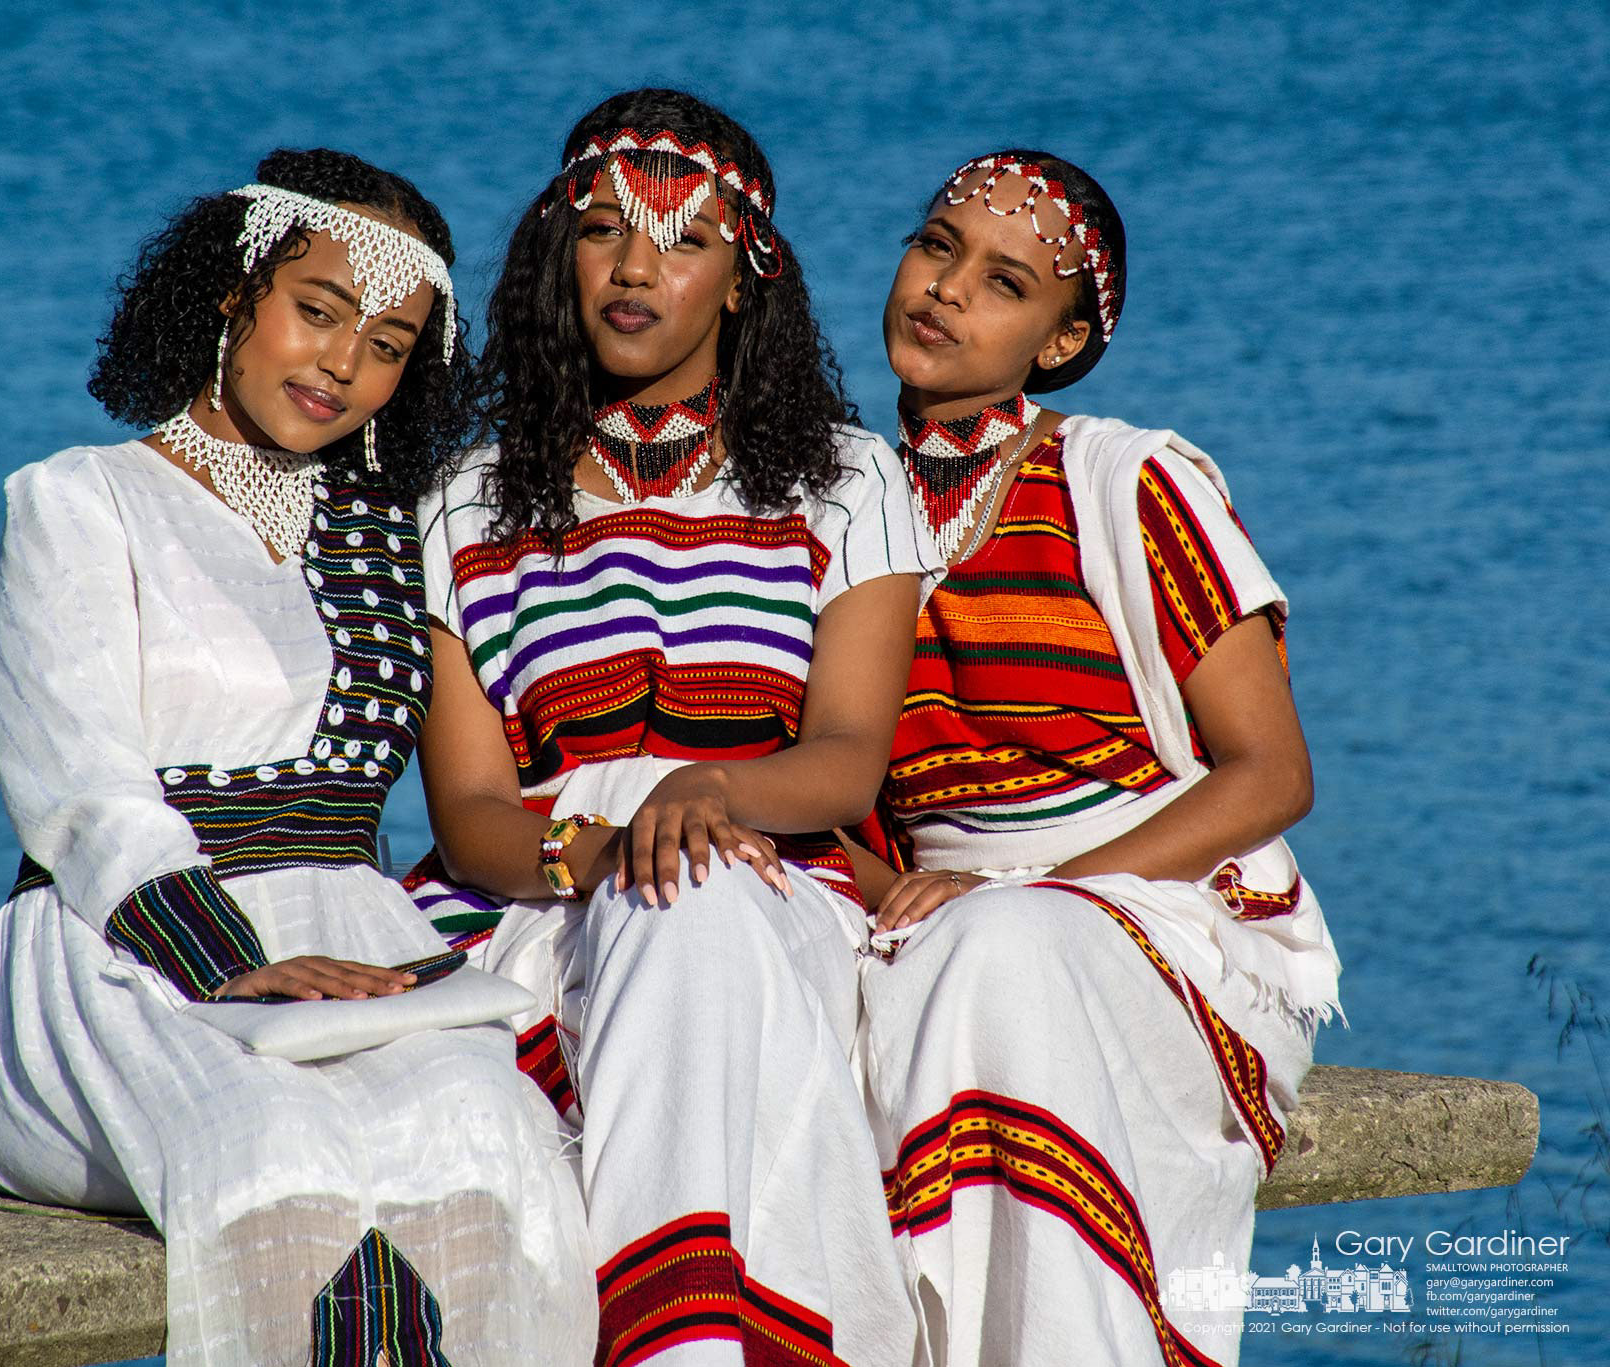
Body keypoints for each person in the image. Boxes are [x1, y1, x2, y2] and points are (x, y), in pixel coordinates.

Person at [0, 148, 595, 1367]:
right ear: (233, 294)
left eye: (390, 344)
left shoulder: (394, 532)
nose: (345, 364)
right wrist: (242, 969)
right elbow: (82, 794)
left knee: (490, 1137)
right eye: (319, 311)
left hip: (354, 933)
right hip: (116, 949)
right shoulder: (80, 501)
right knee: (270, 1148)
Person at [405, 89, 931, 1367]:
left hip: (764, 869)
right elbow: (470, 807)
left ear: (744, 282)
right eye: (603, 232)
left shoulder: (848, 479)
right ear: (555, 256)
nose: (637, 268)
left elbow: (850, 752)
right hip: (534, 897)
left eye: (685, 240)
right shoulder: (464, 500)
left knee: (691, 907)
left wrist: (708, 794)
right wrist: (596, 846)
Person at [849, 149, 1342, 1365]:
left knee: (1009, 947)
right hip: (933, 918)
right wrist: (896, 896)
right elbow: (837, 798)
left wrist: (1047, 895)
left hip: (1150, 906)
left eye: (1005, 281)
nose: (948, 287)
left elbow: (1271, 773)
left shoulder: (1129, 481)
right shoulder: (837, 504)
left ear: (1059, 343)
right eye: (937, 245)